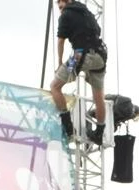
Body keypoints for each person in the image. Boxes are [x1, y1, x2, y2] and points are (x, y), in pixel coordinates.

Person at [50, 0, 108, 145]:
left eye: (60, 5)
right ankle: (99, 133)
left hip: (79, 56)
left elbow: (60, 42)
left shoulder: (65, 16)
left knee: (55, 86)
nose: (60, 8)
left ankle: (68, 129)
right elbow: (97, 31)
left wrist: (59, 62)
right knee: (98, 96)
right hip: (101, 56)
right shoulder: (86, 11)